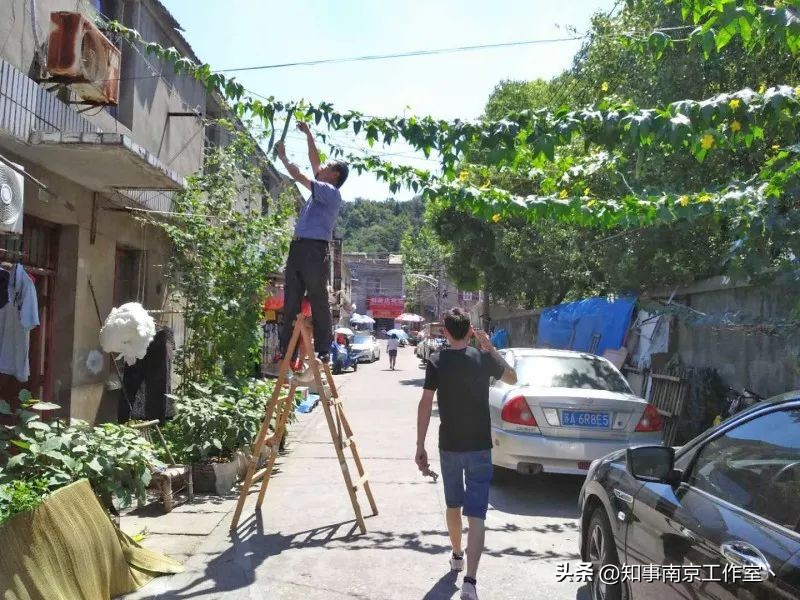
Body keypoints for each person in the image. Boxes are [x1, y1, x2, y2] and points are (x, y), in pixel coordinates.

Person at [415, 308, 517, 600]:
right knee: (477, 515)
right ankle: (470, 582)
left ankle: (457, 554)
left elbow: (424, 404)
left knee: (453, 505)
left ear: (445, 331)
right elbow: (512, 377)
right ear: (471, 330)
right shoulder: (483, 359)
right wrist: (490, 347)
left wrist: (420, 445)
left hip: (449, 446)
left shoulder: (436, 361)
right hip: (480, 447)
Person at [275, 123, 349, 363]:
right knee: (291, 301)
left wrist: (284, 157)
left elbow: (300, 175)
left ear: (335, 174)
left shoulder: (330, 192)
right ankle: (288, 350)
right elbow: (314, 159)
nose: (322, 167)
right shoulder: (323, 185)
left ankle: (324, 349)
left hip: (314, 250)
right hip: (298, 246)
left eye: (328, 166)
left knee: (317, 297)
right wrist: (308, 134)